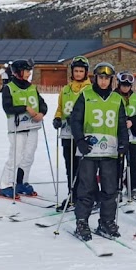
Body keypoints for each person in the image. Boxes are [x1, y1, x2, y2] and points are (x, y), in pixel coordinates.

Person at [68, 62, 129, 240]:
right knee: (86, 188)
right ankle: (82, 222)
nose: (103, 82)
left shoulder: (117, 99)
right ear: (95, 78)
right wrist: (79, 140)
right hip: (89, 151)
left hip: (109, 152)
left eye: (107, 79)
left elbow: (121, 125)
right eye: (101, 78)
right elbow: (75, 120)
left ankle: (106, 222)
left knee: (110, 189)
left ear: (111, 80)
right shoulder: (85, 95)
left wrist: (123, 143)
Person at [0, 59, 46, 198]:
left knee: (28, 157)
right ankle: (5, 184)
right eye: (26, 70)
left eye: (29, 71)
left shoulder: (32, 87)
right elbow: (7, 107)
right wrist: (25, 109)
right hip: (17, 128)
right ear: (18, 72)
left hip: (33, 127)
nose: (28, 73)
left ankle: (21, 182)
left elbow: (42, 104)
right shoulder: (9, 88)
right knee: (15, 157)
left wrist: (41, 113)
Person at [53, 56, 91, 209]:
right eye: (76, 71)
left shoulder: (90, 90)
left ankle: (85, 196)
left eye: (81, 71)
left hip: (82, 135)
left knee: (83, 168)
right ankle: (72, 195)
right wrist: (57, 118)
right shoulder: (66, 89)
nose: (78, 74)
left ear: (86, 72)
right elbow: (60, 108)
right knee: (70, 166)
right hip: (67, 134)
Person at [116, 71, 136, 201]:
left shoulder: (135, 97)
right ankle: (118, 188)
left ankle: (133, 187)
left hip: (132, 135)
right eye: (123, 85)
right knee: (119, 163)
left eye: (128, 85)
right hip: (119, 136)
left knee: (133, 161)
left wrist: (132, 122)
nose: (125, 87)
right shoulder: (114, 96)